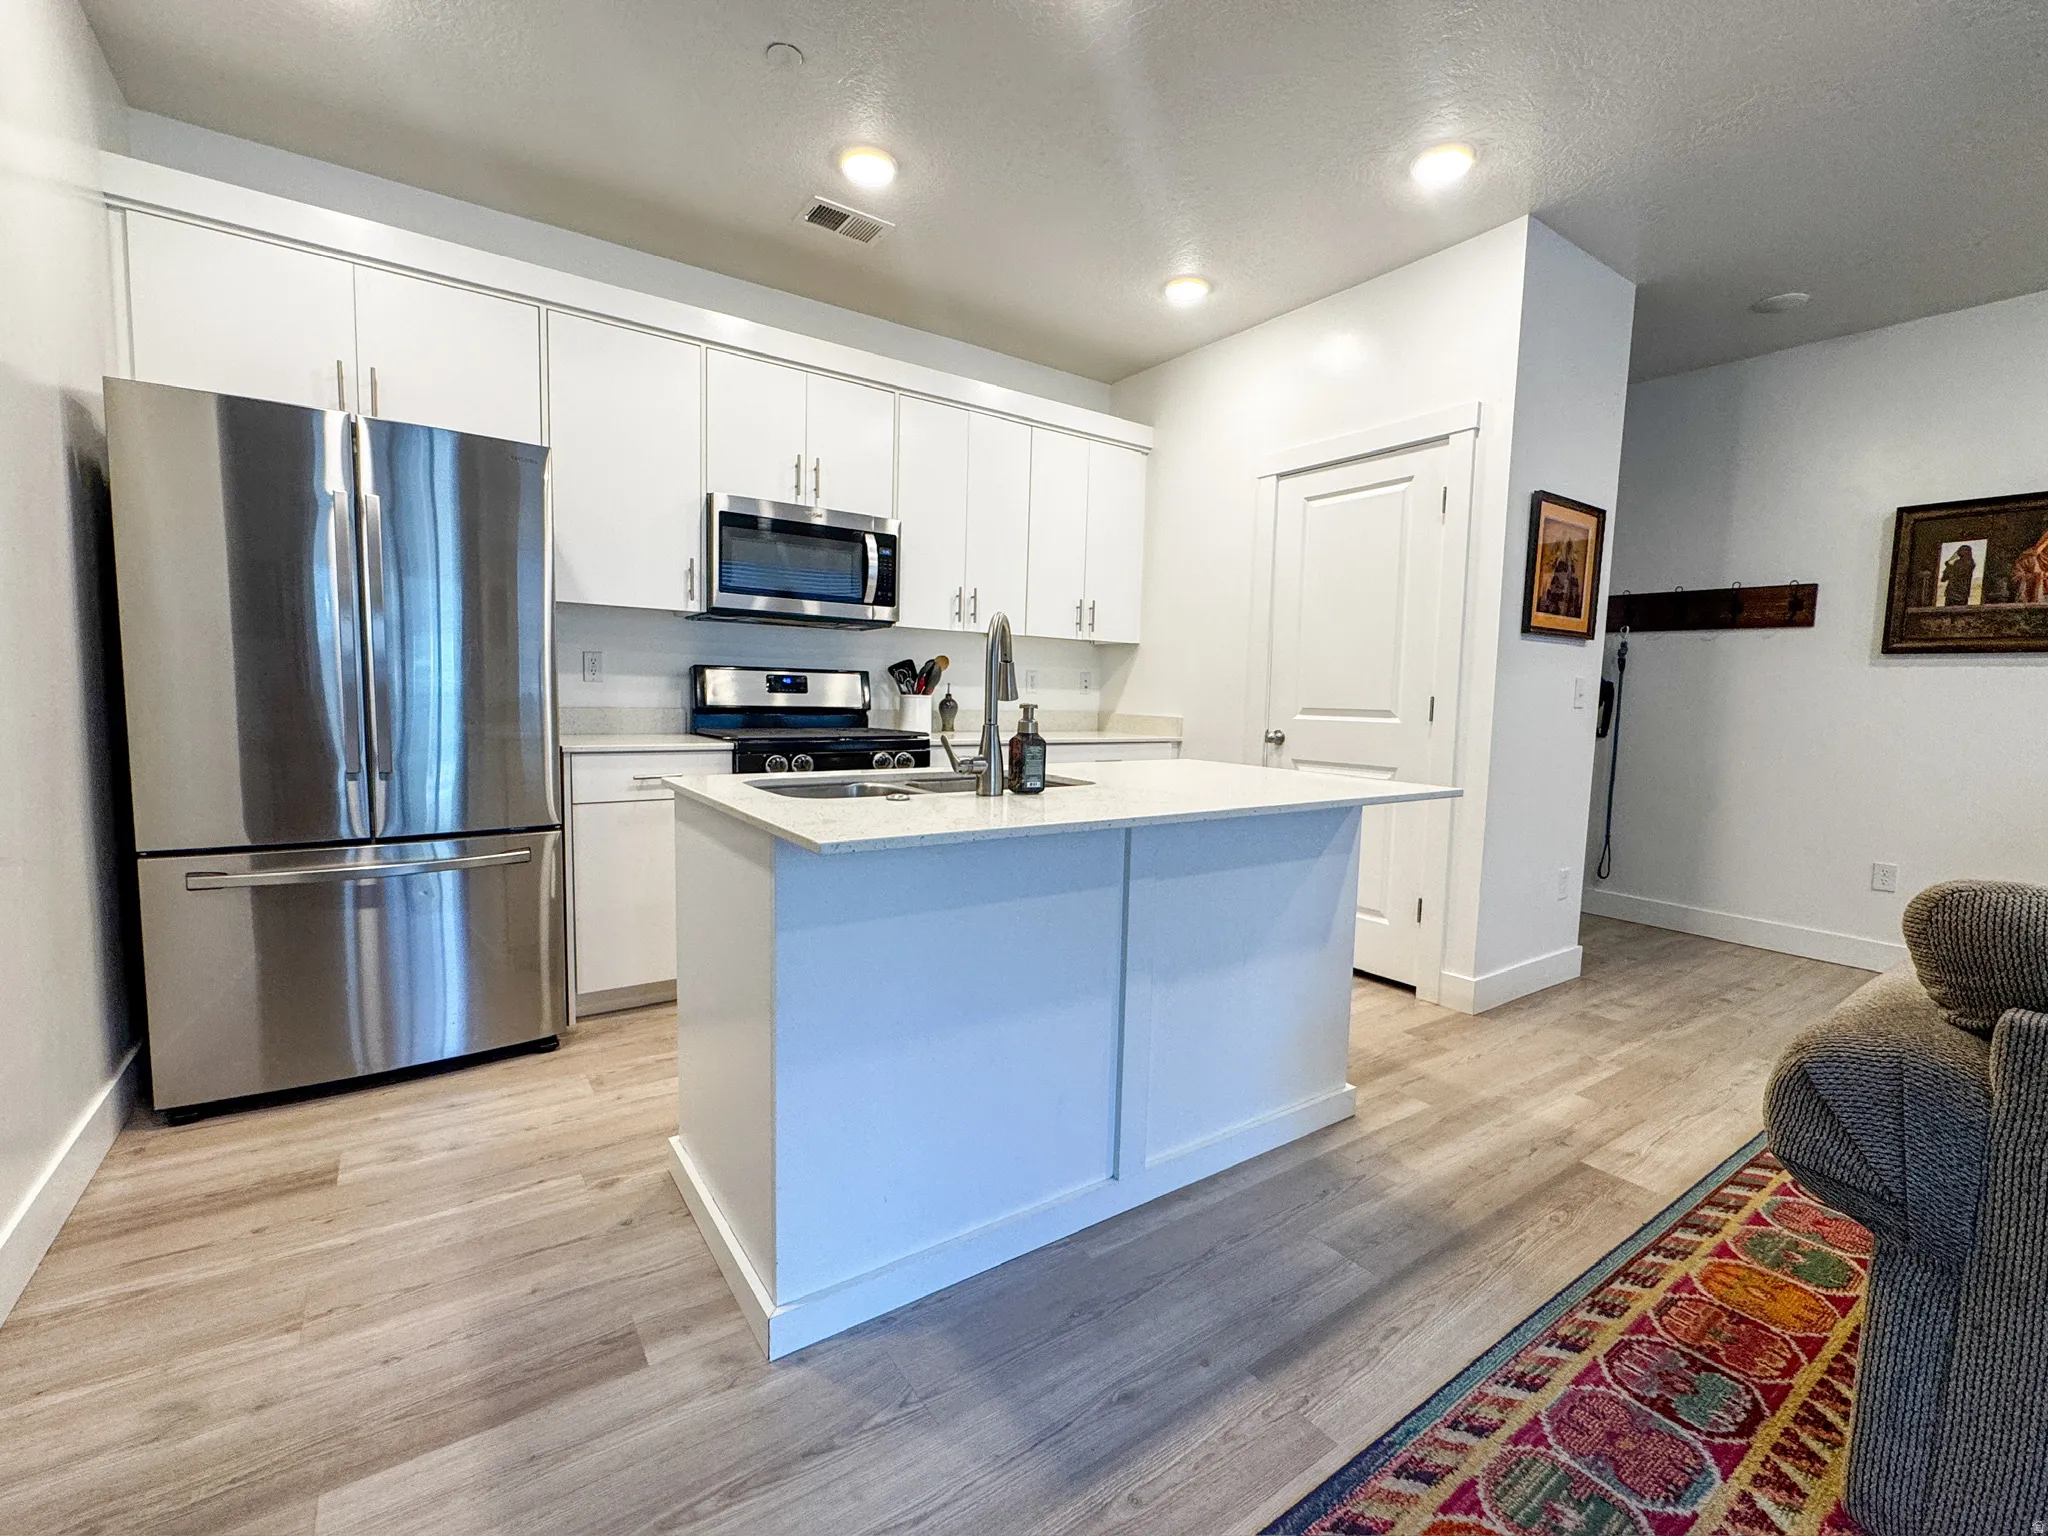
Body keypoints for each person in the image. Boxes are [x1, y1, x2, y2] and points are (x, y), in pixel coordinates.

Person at [1539, 547, 1582, 616]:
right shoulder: (1552, 578)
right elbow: (1550, 592)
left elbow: (1575, 595)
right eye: (1560, 571)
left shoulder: (1573, 579)